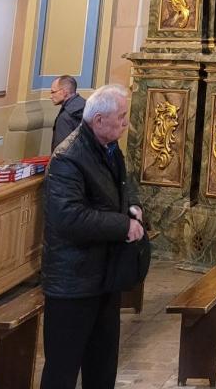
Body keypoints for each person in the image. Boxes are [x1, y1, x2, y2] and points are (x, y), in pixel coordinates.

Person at [41, 84, 144, 389]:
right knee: (63, 369)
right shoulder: (67, 158)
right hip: (73, 281)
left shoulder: (108, 147)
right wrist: (123, 226)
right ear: (99, 120)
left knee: (102, 364)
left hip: (103, 275)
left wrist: (133, 206)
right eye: (121, 117)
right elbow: (69, 217)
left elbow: (122, 185)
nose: (126, 123)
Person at [49, 75, 86, 151]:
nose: (50, 96)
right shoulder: (88, 107)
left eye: (53, 92)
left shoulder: (65, 118)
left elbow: (61, 151)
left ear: (64, 92)